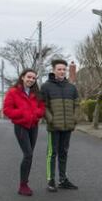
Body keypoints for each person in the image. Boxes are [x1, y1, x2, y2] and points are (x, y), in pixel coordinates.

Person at [2, 69, 45, 196]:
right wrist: (23, 113)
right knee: (28, 154)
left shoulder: (36, 93)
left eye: (33, 78)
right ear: (22, 77)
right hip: (21, 126)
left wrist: (36, 114)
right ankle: (23, 185)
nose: (31, 80)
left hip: (33, 126)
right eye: (29, 77)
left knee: (29, 155)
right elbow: (7, 110)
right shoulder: (13, 92)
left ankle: (25, 182)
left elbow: (42, 108)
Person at [40, 59, 80, 192]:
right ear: (53, 70)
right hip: (54, 127)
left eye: (64, 69)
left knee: (64, 153)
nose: (62, 71)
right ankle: (50, 180)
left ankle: (63, 180)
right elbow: (43, 106)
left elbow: (77, 105)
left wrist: (74, 119)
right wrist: (51, 119)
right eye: (59, 69)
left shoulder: (71, 87)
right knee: (52, 153)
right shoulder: (46, 87)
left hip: (68, 126)